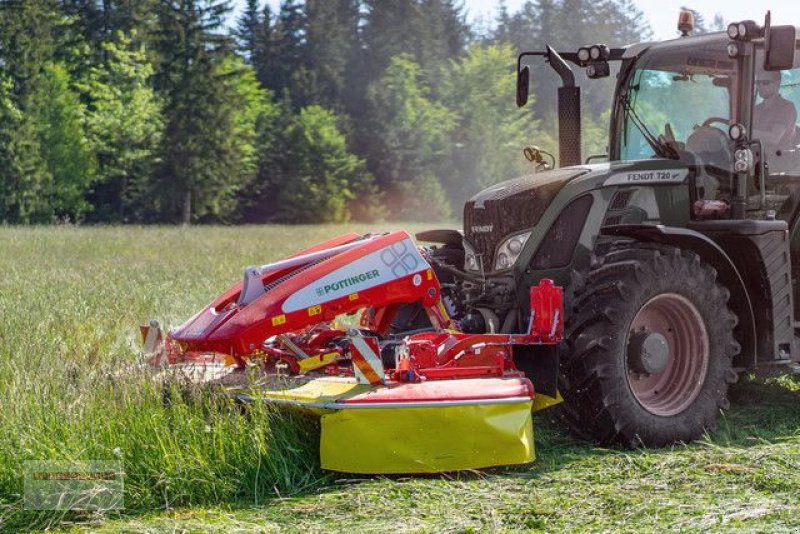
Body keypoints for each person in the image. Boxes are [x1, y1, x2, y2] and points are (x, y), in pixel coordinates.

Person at [753, 70, 798, 159]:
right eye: (758, 83)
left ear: (777, 84)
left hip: (777, 161)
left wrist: (746, 132)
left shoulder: (786, 108)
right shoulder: (756, 109)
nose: (760, 86)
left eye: (765, 82)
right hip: (755, 157)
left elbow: (774, 138)